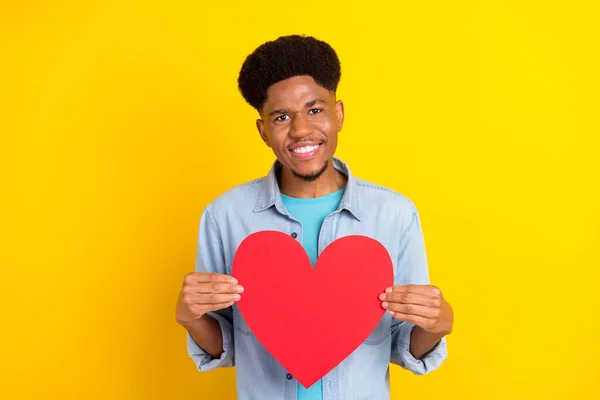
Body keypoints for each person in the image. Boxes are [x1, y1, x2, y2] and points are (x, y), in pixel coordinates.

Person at [175, 34, 453, 400]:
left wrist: (437, 326)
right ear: (263, 131)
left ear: (338, 114)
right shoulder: (225, 217)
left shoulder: (395, 214)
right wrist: (192, 318)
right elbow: (225, 347)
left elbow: (404, 344)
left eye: (315, 109)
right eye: (282, 116)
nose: (302, 129)